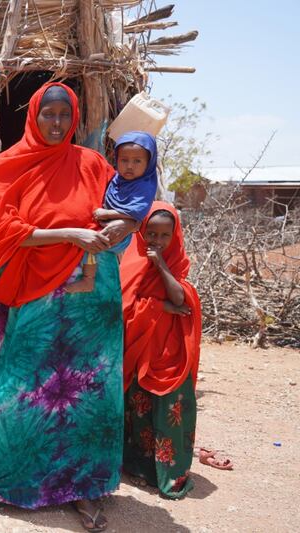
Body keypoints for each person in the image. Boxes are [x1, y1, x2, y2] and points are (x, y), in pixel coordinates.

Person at [0, 82, 138, 531]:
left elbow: (124, 210)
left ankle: (81, 487)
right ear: (34, 116)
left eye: (65, 115)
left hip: (88, 295)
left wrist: (118, 228)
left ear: (74, 117)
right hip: (29, 292)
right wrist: (69, 235)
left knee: (84, 392)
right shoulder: (11, 166)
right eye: (49, 114)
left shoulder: (93, 165)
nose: (57, 123)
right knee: (19, 386)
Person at [119, 202, 202, 499]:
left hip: (171, 352)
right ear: (141, 232)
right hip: (142, 349)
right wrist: (163, 306)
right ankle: (141, 468)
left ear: (175, 236)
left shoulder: (177, 262)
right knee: (140, 409)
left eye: (164, 235)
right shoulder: (131, 263)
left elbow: (181, 295)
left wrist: (161, 266)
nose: (156, 241)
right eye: (150, 233)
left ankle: (171, 474)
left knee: (170, 411)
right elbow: (124, 305)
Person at [65, 131, 158, 294]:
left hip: (118, 236)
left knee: (91, 241)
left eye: (137, 161)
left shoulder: (144, 186)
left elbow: (135, 213)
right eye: (124, 160)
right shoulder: (116, 179)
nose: (129, 166)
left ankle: (88, 280)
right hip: (107, 228)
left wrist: (107, 214)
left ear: (148, 163)